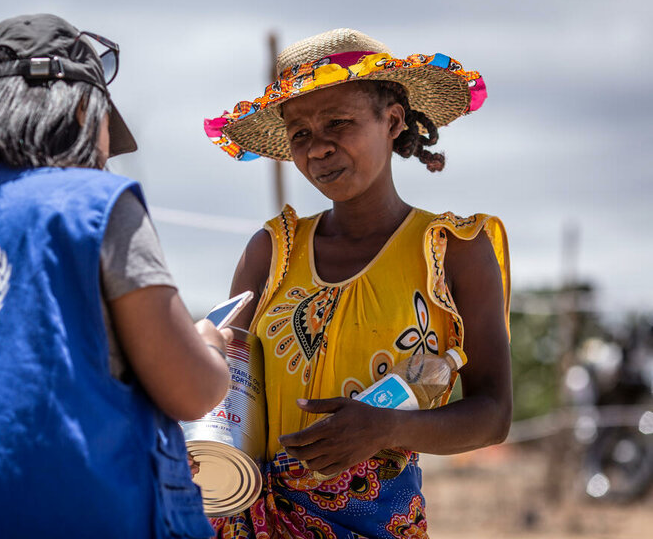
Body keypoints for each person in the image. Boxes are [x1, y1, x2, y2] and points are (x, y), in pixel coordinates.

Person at [0, 13, 230, 539]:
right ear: (81, 108)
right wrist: (211, 346)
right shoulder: (93, 207)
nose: (105, 156)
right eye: (107, 127)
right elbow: (192, 391)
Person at [202, 28, 512, 538]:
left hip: (378, 523)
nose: (317, 148)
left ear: (391, 121)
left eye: (337, 123)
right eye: (299, 133)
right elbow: (229, 392)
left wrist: (389, 427)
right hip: (251, 522)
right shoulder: (272, 252)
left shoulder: (453, 250)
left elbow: (493, 413)